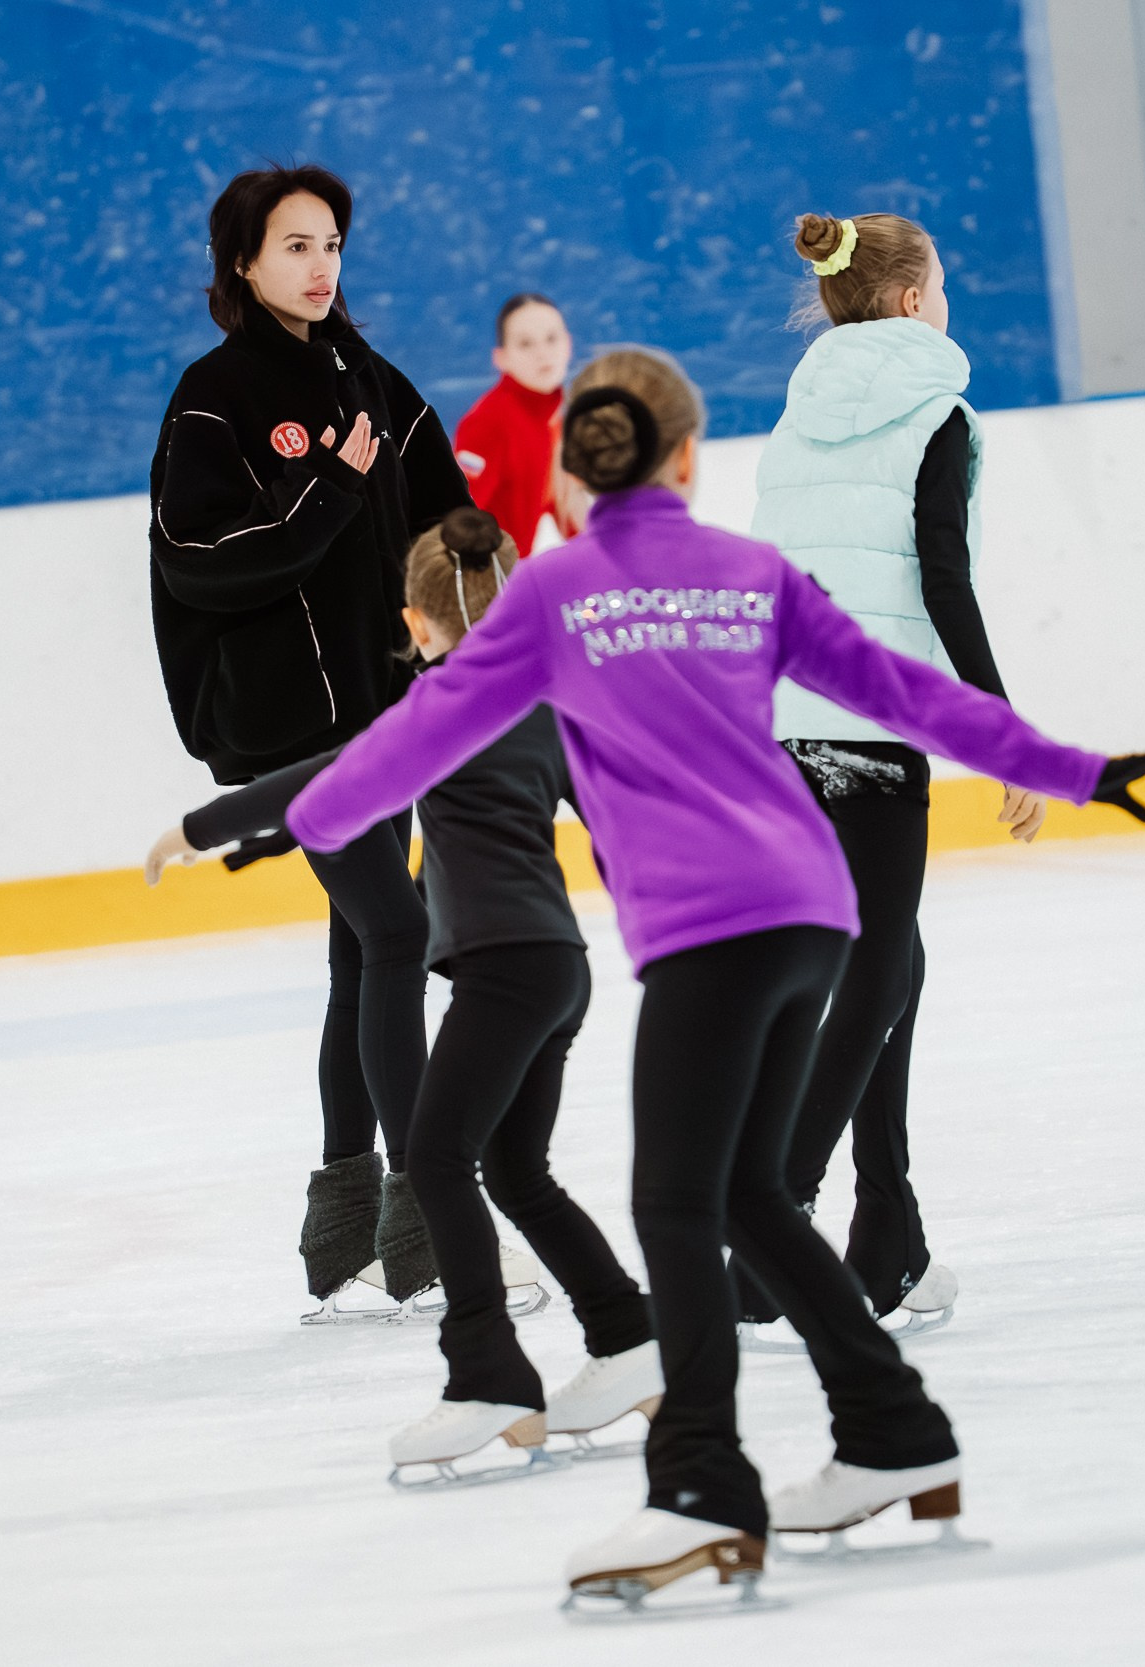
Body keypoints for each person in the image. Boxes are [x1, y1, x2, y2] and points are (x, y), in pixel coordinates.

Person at [281, 347, 1145, 1606]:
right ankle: (892, 1430)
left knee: (678, 1205)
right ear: (689, 457)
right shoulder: (749, 574)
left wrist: (309, 818)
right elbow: (906, 694)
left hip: (710, 934)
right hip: (811, 907)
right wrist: (1070, 767)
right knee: (753, 1194)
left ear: (568, 466)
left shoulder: (552, 593)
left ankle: (700, 1485)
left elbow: (416, 737)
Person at [146, 507, 661, 1480]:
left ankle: (487, 1380)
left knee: (434, 1155)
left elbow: (316, 778)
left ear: (414, 625)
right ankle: (627, 1339)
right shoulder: (548, 702)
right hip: (558, 967)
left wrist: (197, 825)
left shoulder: (435, 709)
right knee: (515, 1171)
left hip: (505, 970)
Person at [145, 163, 476, 1314]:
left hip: (388, 713)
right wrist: (330, 490)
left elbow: (448, 518)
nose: (320, 265)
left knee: (363, 955)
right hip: (293, 730)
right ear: (242, 264)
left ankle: (344, 1223)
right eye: (293, 246)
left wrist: (489, 574)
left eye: (330, 242)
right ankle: (427, 1214)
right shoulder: (211, 398)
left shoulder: (370, 379)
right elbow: (206, 562)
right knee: (395, 931)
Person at [733, 210, 1034, 1351]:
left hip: (776, 719)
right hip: (864, 728)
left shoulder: (795, 417)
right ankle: (779, 1217)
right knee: (873, 968)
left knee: (892, 955)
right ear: (912, 301)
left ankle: (887, 1227)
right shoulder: (938, 414)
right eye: (942, 283)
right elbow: (942, 579)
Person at [451, 293, 573, 555]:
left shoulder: (556, 420)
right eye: (526, 343)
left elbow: (568, 517)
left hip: (518, 577)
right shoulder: (488, 422)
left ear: (568, 344)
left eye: (552, 339)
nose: (543, 353)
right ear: (501, 357)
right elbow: (458, 518)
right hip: (489, 583)